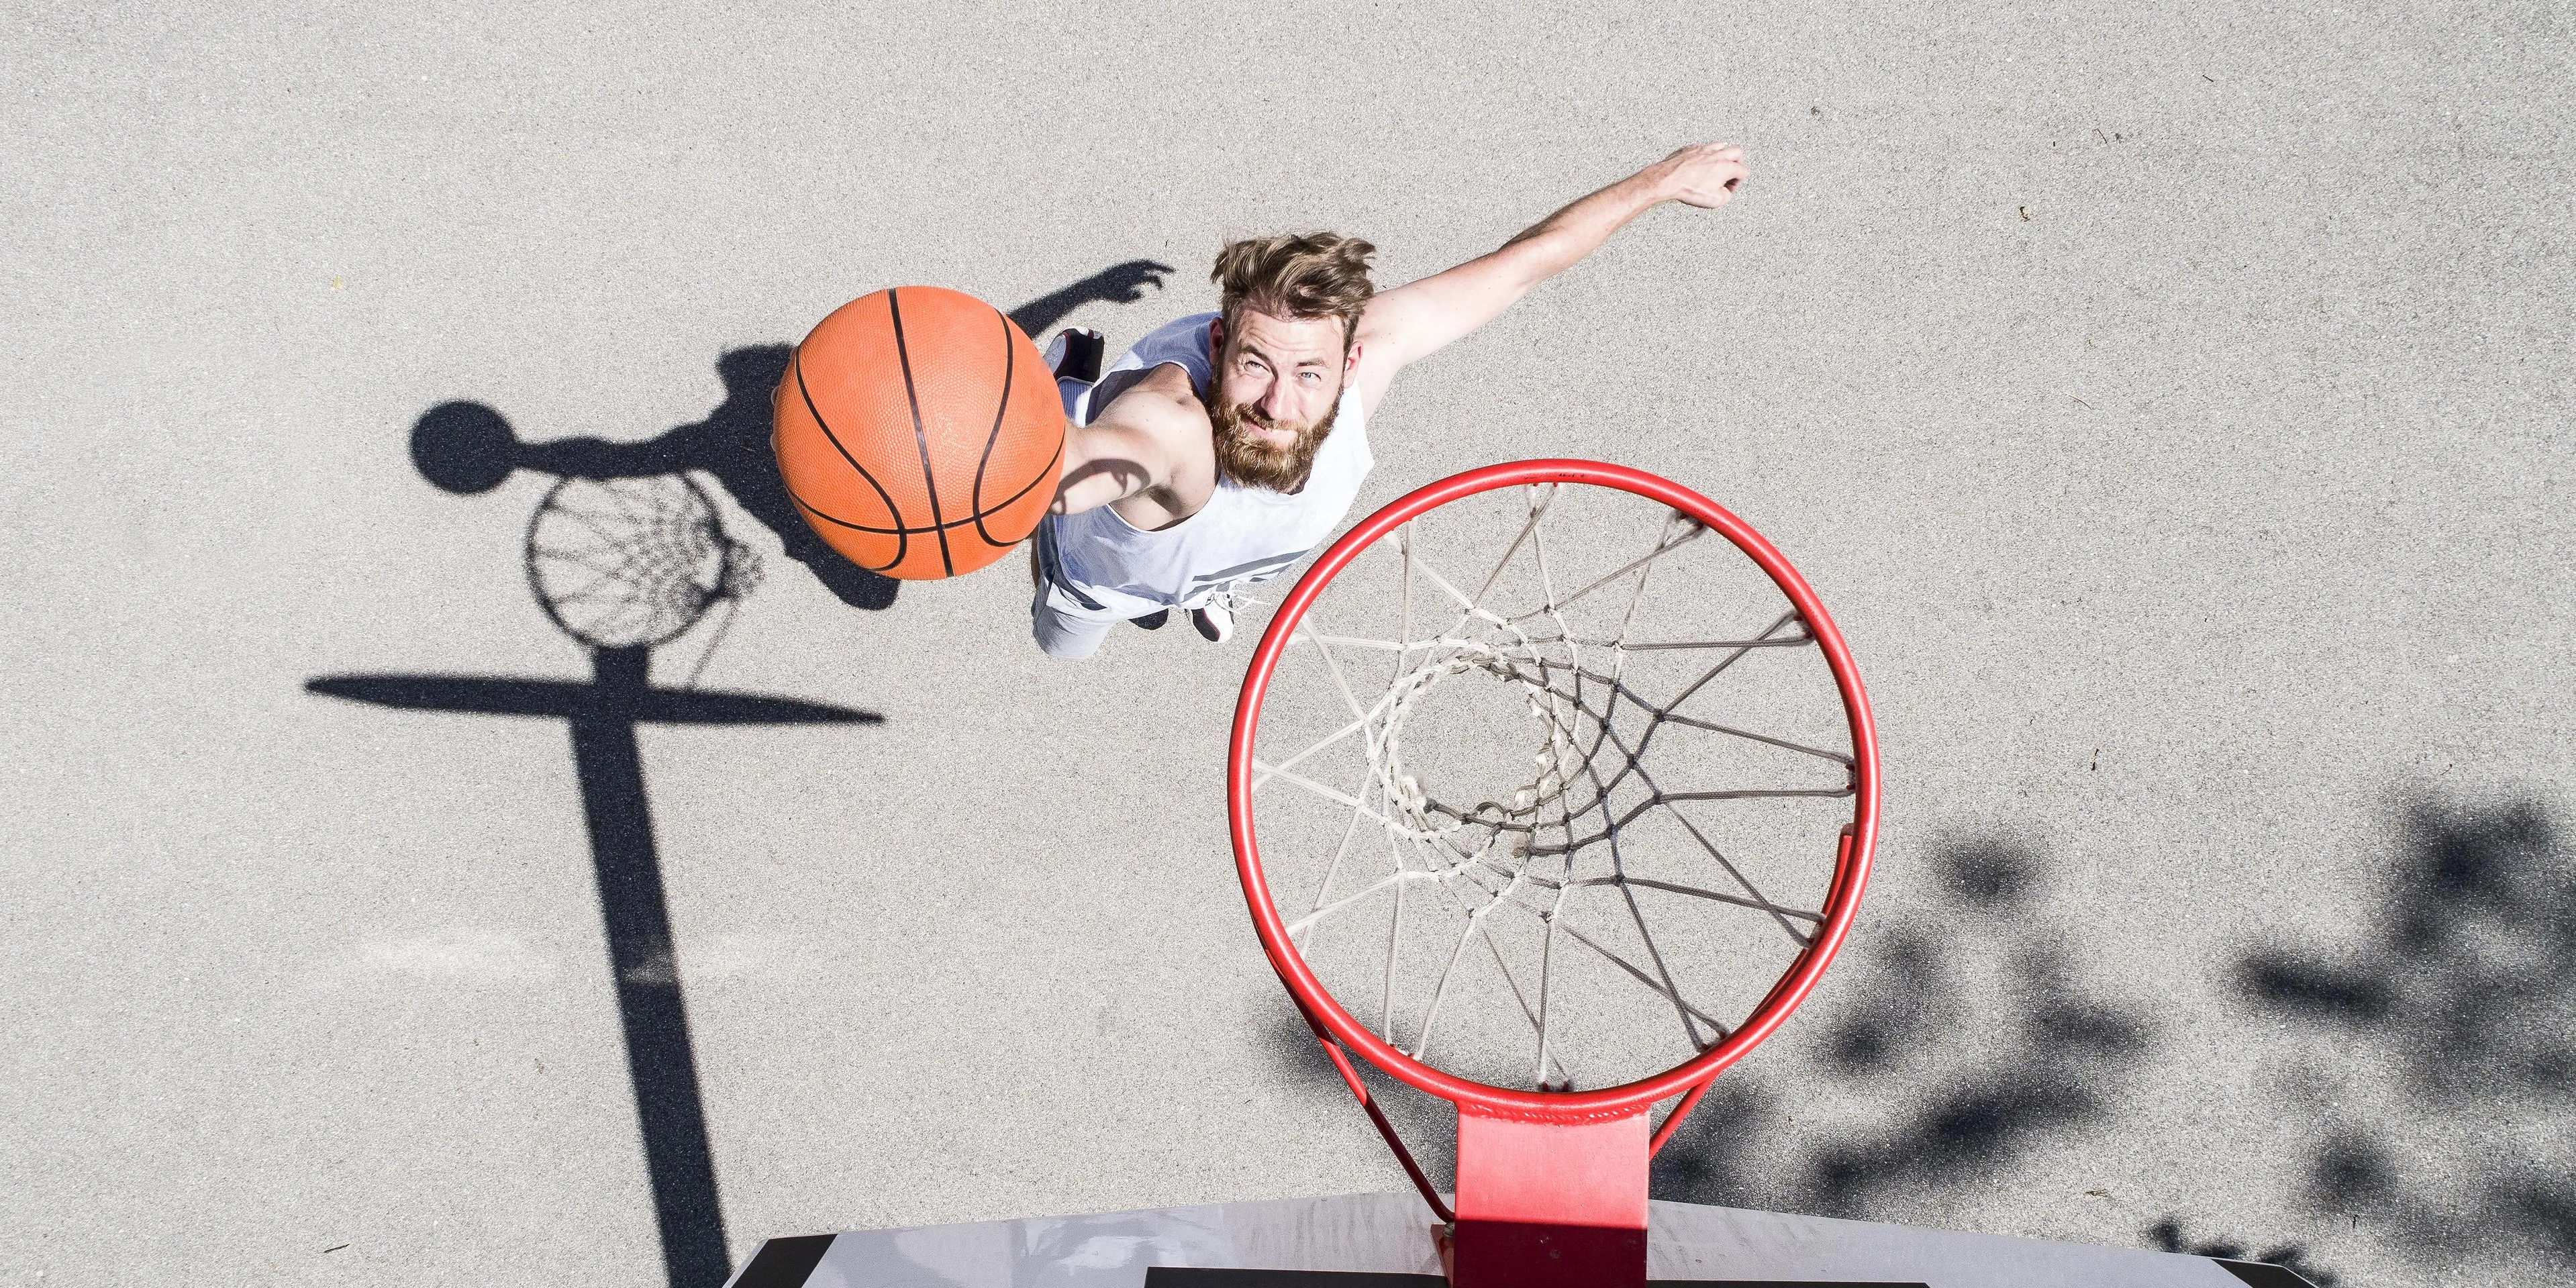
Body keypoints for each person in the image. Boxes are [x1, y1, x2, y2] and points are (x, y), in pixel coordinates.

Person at [1030, 142, 1750, 660]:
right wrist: (1009, 466)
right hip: (1096, 574)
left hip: (1210, 544)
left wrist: (1660, 181)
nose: (1278, 403)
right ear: (1218, 345)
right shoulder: (1171, 423)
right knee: (1062, 645)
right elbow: (1070, 467)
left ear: (1350, 364)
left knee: (1211, 538)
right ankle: (1066, 380)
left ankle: (1196, 582)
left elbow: (1524, 265)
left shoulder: (1365, 353)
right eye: (1255, 364)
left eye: (1309, 374)